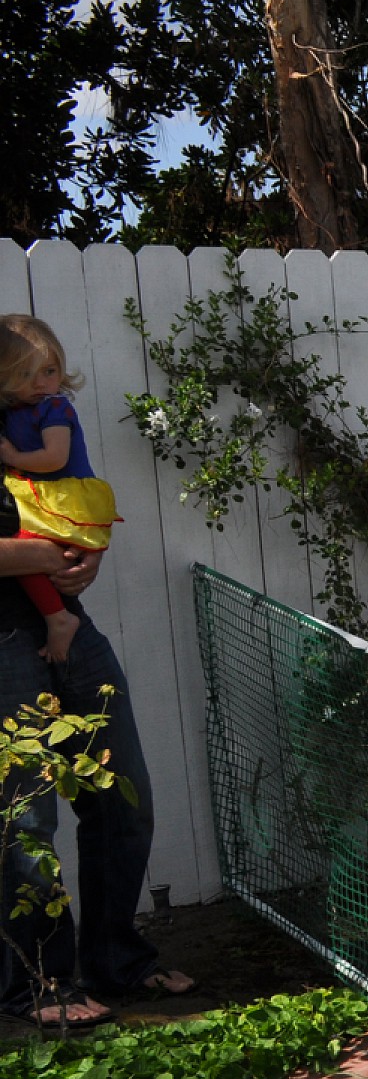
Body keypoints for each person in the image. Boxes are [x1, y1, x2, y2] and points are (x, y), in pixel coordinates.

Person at [0, 325, 188, 1027]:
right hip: (5, 639)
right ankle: (41, 984)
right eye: (28, 369)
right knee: (27, 820)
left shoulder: (38, 422)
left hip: (67, 622)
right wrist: (40, 558)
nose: (41, 379)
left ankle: (118, 959)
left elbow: (70, 511)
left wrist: (83, 557)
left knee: (121, 796)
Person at [0, 317, 123, 665]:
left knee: (31, 540)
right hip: (48, 496)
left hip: (61, 494)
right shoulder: (16, 411)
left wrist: (11, 456)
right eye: (25, 375)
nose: (40, 383)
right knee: (28, 542)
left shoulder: (53, 407)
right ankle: (57, 617)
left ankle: (58, 618)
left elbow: (55, 458)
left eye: (49, 371)